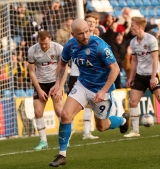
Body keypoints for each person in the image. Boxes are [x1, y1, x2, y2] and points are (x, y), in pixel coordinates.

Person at [48, 19, 130, 167]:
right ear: (73, 34)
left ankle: (123, 120)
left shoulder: (99, 46)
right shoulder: (70, 46)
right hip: (83, 85)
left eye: (87, 32)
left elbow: (116, 69)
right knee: (65, 115)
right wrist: (58, 85)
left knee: (102, 127)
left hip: (101, 89)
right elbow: (62, 64)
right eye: (81, 34)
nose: (85, 36)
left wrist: (103, 90)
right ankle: (62, 155)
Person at [124, 17, 160, 138]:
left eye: (132, 25)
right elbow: (134, 60)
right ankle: (135, 131)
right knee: (133, 102)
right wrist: (131, 77)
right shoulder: (133, 42)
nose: (131, 28)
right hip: (140, 75)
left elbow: (155, 59)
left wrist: (153, 77)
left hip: (153, 75)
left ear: (139, 27)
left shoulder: (151, 40)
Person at [28, 30, 67, 150]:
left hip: (56, 82)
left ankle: (64, 139)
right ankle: (43, 141)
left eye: (45, 43)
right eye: (41, 44)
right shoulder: (32, 51)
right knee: (38, 112)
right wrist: (39, 90)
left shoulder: (58, 48)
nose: (43, 46)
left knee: (60, 112)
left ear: (50, 39)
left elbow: (64, 69)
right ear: (38, 41)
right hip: (41, 83)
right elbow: (31, 72)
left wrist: (60, 87)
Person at [68, 13, 100, 140]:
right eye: (89, 21)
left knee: (89, 105)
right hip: (75, 75)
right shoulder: (73, 41)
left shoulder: (97, 40)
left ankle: (87, 132)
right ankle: (69, 130)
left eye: (93, 21)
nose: (91, 23)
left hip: (90, 77)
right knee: (71, 106)